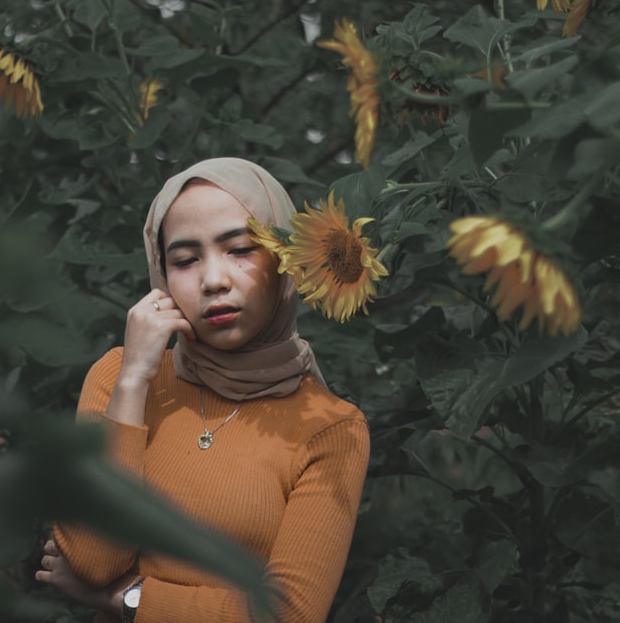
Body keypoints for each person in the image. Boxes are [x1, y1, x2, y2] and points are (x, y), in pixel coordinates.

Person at [35, 158, 370, 622]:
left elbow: (287, 615)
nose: (214, 280)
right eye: (185, 260)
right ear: (161, 275)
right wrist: (134, 382)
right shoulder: (121, 376)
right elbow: (94, 561)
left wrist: (128, 598)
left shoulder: (330, 428)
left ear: (287, 260)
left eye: (240, 250)